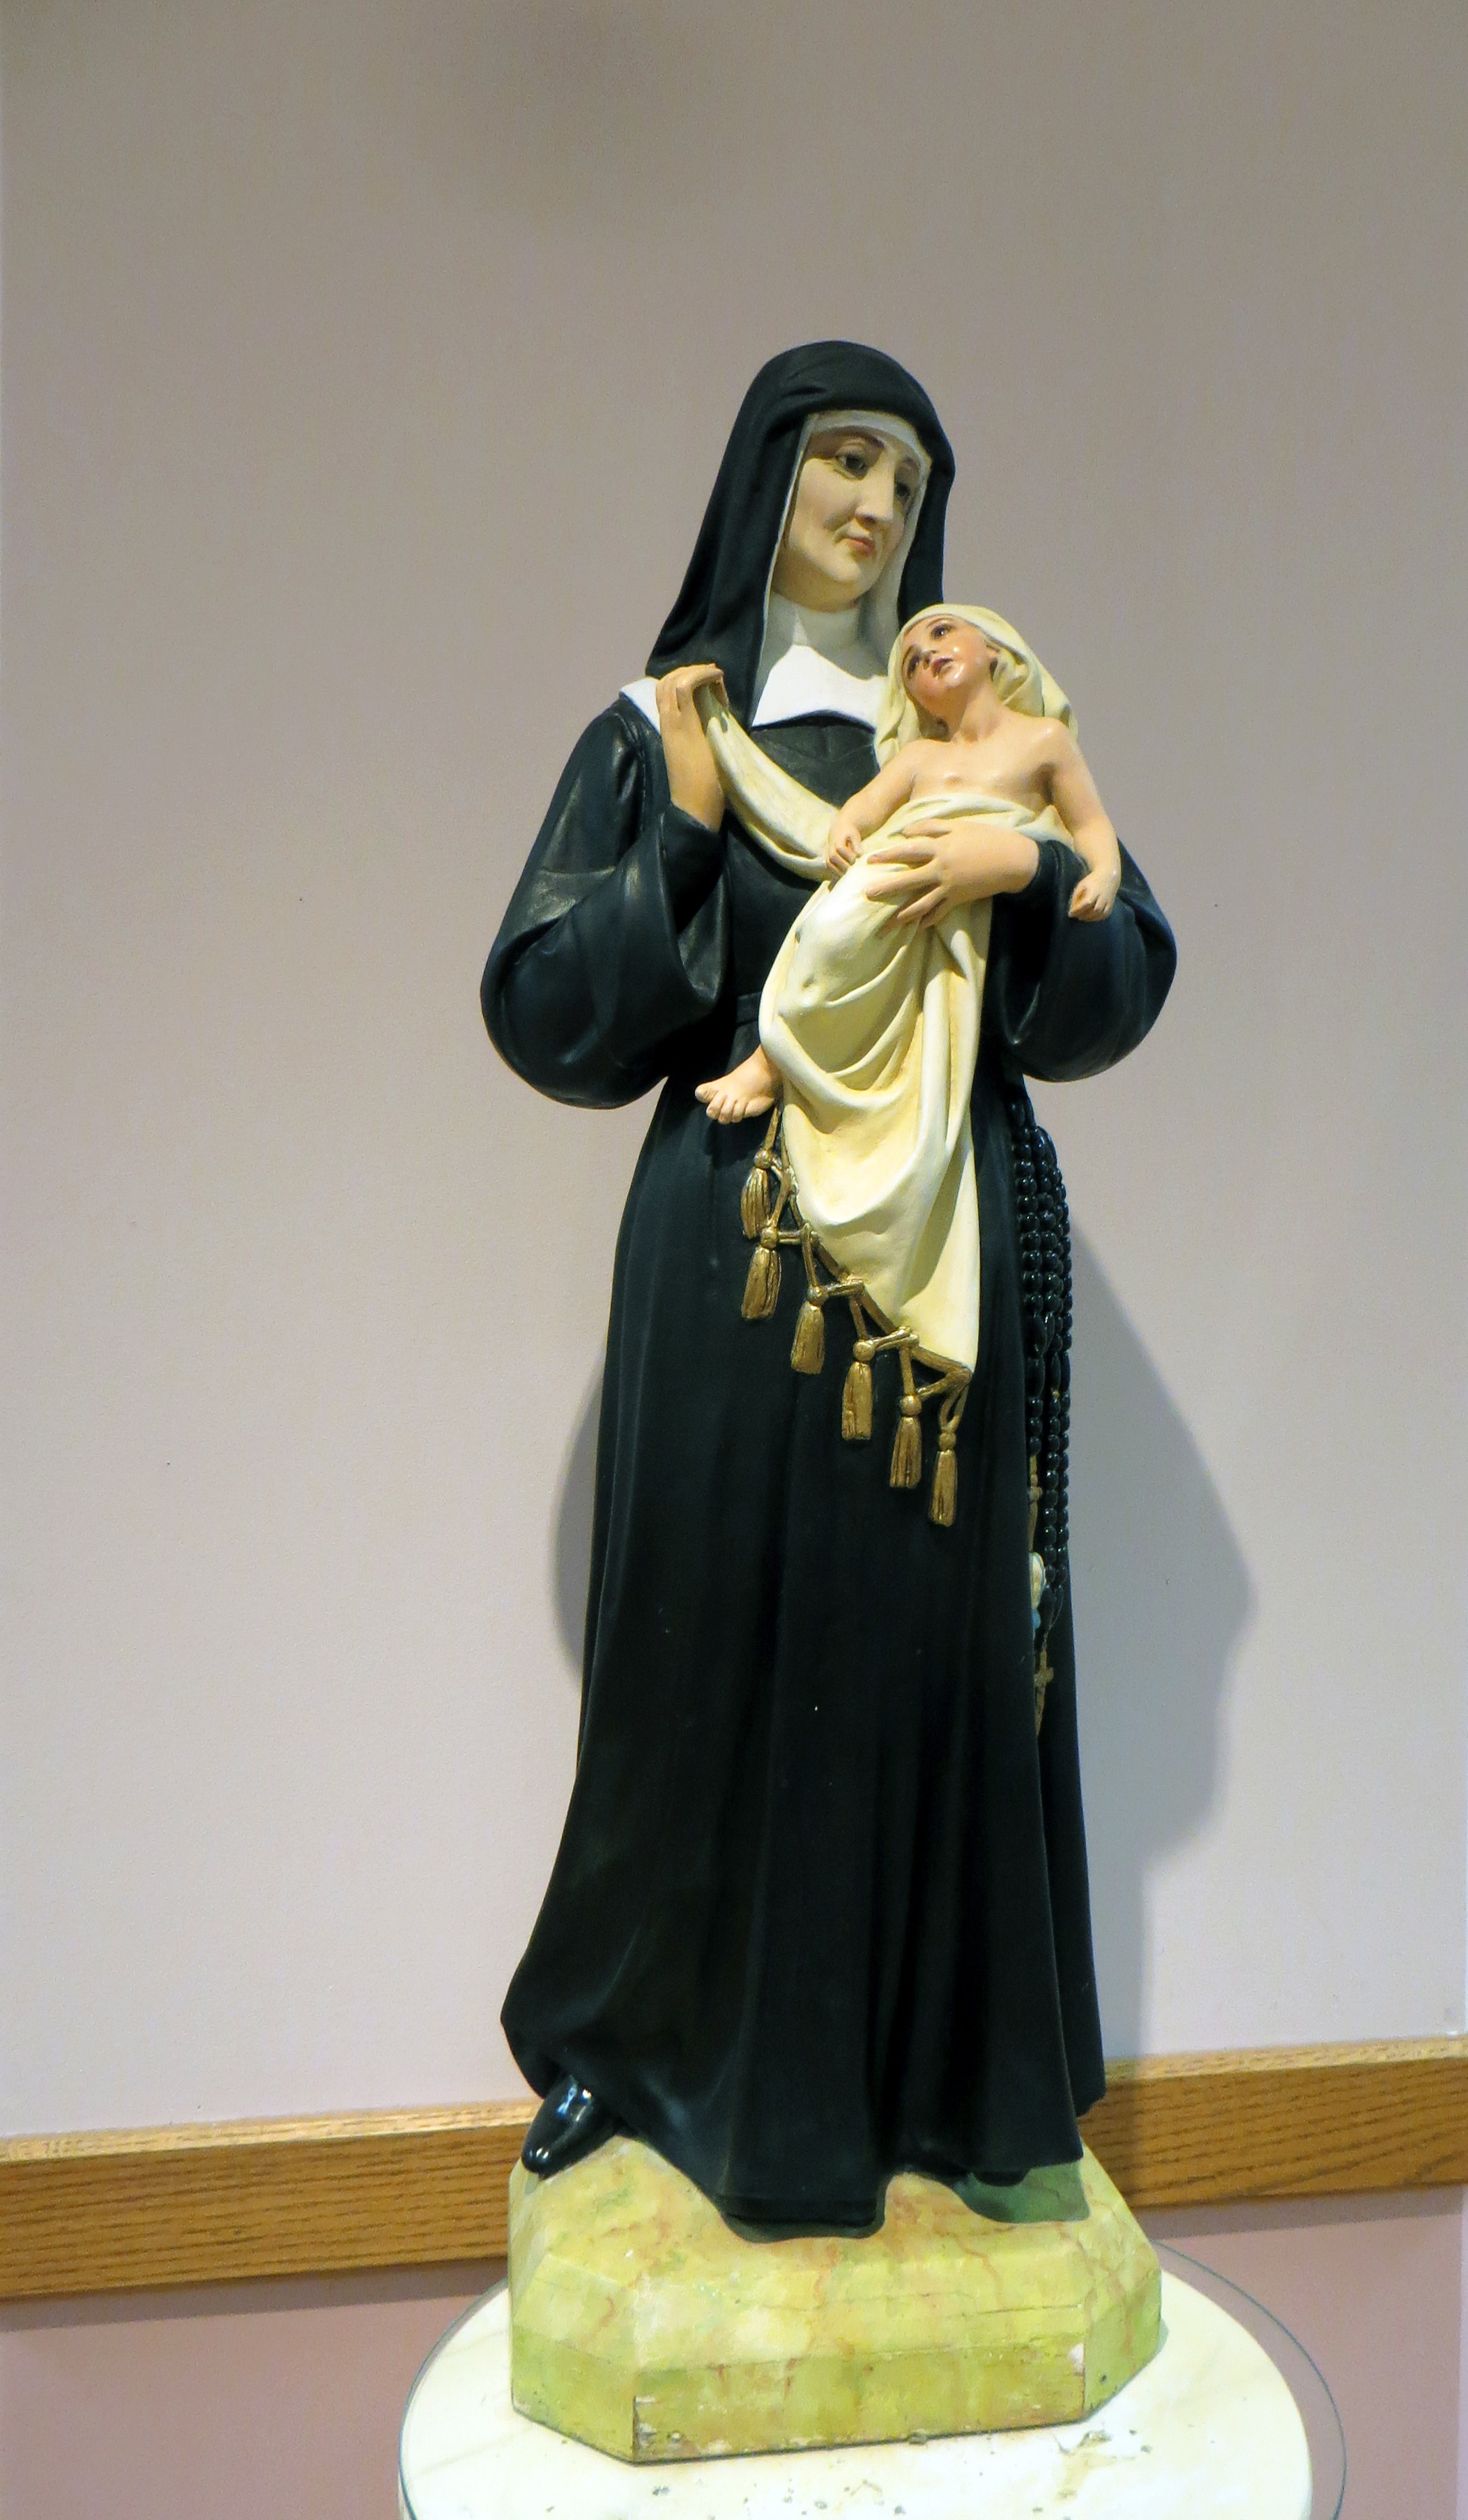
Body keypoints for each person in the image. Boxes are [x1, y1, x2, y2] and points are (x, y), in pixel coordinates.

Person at [482, 342, 1176, 2230]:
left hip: (941, 1265)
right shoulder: (667, 726)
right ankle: (638, 2050)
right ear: (763, 474)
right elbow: (548, 1014)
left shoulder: (974, 730)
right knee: (694, 1655)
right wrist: (688, 828)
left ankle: (933, 2080)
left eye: (905, 475)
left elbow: (1112, 981)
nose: (873, 502)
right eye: (841, 458)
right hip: (734, 1257)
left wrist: (1024, 865)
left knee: (928, 1658)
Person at [693, 605, 1122, 1128]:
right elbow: (867, 806)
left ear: (994, 649)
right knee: (827, 937)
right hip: (895, 870)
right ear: (913, 697)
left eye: (942, 633)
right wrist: (846, 828)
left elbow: (1090, 823)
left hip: (971, 896)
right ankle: (772, 1060)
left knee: (925, 1004)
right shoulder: (920, 758)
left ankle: (785, 1066)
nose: (929, 655)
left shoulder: (1044, 740)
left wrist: (1104, 873)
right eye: (913, 662)